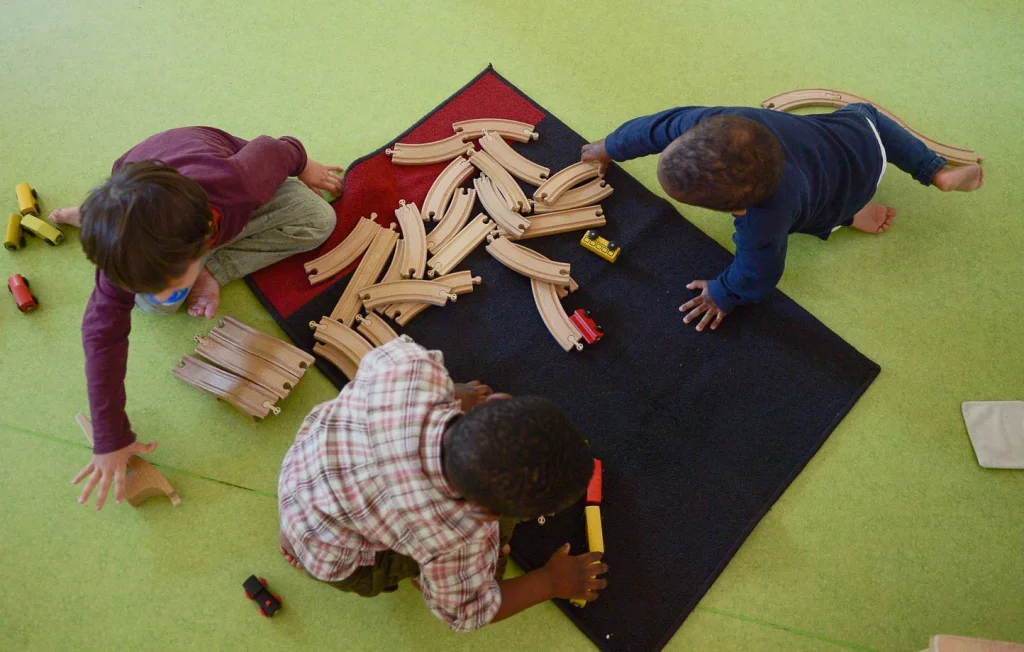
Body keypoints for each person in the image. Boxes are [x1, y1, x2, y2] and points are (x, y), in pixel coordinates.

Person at [56, 127, 344, 508]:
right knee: (157, 305)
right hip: (140, 197)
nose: (160, 289)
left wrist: (306, 164)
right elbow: (101, 338)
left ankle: (202, 266)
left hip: (219, 193)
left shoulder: (243, 180)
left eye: (169, 279)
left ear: (204, 243)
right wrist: (110, 436)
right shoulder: (128, 258)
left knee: (318, 220)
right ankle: (92, 215)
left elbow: (279, 149)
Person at [278, 336, 608, 631]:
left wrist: (451, 392)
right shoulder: (460, 536)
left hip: (300, 474)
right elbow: (470, 613)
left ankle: (296, 533)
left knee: (328, 512)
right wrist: (549, 581)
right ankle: (419, 577)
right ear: (486, 513)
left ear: (496, 400)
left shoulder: (414, 369)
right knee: (479, 567)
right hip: (337, 557)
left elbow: (380, 359)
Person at [581, 104, 984, 332]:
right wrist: (608, 147)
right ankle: (936, 172)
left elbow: (760, 270)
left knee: (828, 210)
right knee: (868, 116)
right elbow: (655, 129)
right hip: (855, 139)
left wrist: (723, 293)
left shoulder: (763, 219)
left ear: (737, 211)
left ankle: (854, 215)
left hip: (843, 192)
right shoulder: (712, 125)